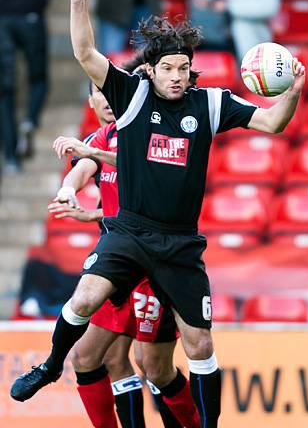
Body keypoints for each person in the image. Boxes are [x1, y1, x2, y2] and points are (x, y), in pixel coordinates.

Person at [10, 0, 305, 428]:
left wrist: (293, 90)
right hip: (130, 231)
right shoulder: (131, 94)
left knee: (199, 347)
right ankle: (49, 366)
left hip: (180, 243)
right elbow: (86, 51)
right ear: (151, 69)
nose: (176, 76)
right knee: (83, 300)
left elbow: (271, 122)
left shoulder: (210, 103)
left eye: (184, 69)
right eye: (167, 68)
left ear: (192, 70)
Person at [48, 80, 199, 427]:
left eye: (111, 92)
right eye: (99, 93)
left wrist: (101, 213)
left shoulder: (148, 134)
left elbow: (156, 191)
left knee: (153, 365)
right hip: (116, 264)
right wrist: (75, 196)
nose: (107, 100)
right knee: (103, 358)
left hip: (153, 264)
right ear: (89, 100)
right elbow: (84, 174)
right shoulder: (95, 141)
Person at [0, 0, 65, 174]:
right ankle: (29, 120)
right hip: (31, 15)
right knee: (39, 79)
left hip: (2, 19)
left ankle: (11, 158)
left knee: (4, 92)